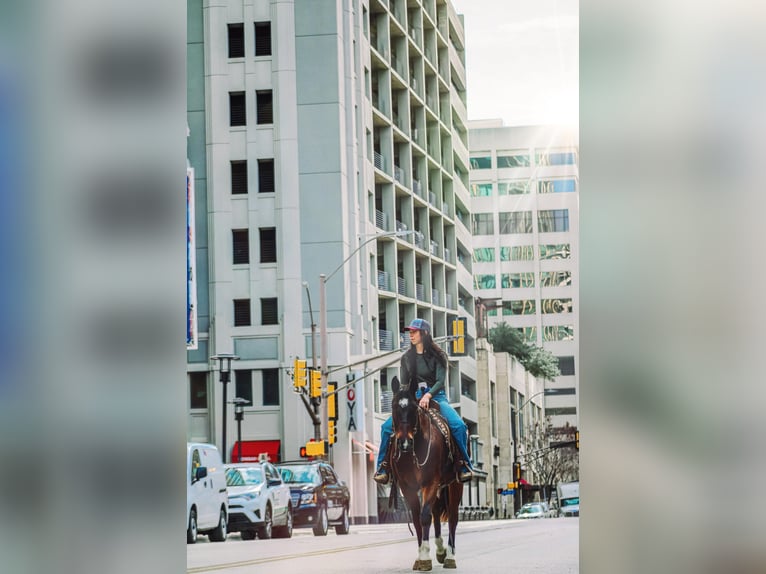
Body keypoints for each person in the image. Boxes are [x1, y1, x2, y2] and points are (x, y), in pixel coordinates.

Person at [374, 318, 475, 485]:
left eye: (414, 332)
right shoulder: (407, 358)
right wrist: (403, 396)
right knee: (386, 428)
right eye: (410, 332)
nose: (411, 335)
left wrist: (428, 395)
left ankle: (463, 465)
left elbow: (440, 381)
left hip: (437, 397)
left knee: (458, 426)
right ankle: (383, 468)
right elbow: (405, 384)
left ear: (425, 333)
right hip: (413, 401)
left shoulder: (438, 355)